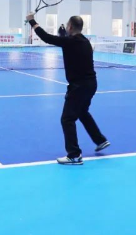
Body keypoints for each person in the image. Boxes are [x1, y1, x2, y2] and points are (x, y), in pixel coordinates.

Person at [26, 12, 110, 165]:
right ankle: (100, 140)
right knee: (82, 112)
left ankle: (74, 155)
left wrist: (32, 21)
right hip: (91, 84)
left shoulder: (70, 42)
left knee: (67, 119)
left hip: (79, 87)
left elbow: (46, 37)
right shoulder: (85, 41)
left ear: (70, 27)